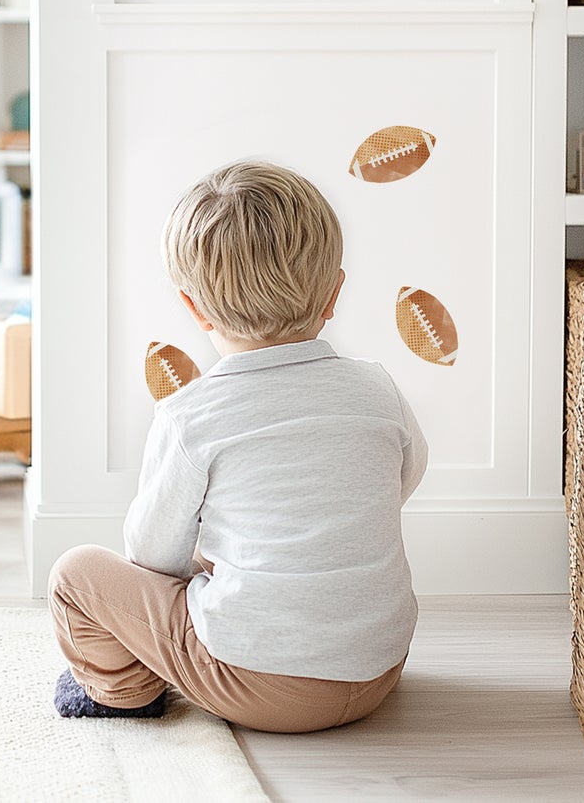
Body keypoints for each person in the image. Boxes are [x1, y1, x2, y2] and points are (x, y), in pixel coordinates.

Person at [49, 161, 429, 732]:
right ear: (334, 293)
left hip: (260, 687)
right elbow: (405, 475)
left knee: (76, 574)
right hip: (377, 669)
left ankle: (121, 689)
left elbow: (152, 555)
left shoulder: (192, 414)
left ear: (194, 308)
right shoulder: (377, 387)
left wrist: (203, 558)